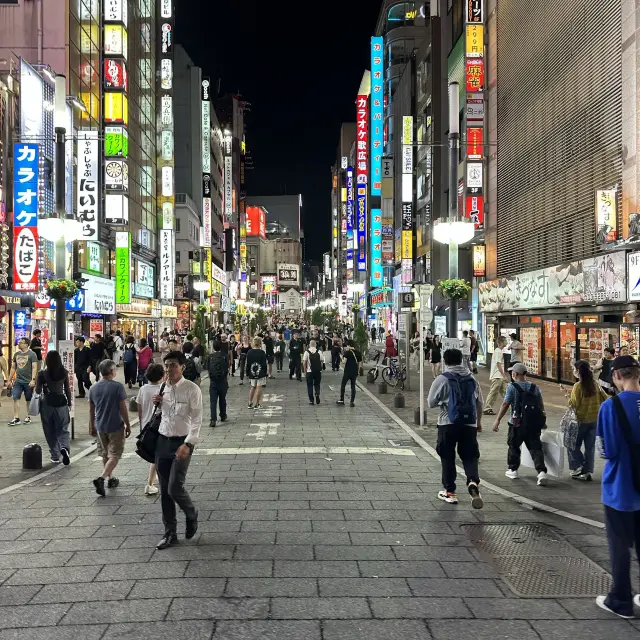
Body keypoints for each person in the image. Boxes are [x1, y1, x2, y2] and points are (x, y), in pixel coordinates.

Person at [595, 355, 640, 617]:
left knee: (620, 545)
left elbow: (606, 450)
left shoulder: (610, 407)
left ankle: (620, 600)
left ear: (616, 376)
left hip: (620, 488)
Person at [153, 350, 202, 550]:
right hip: (162, 440)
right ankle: (170, 532)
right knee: (165, 490)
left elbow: (198, 419)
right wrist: (155, 404)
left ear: (182, 366)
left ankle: (191, 514)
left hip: (182, 443)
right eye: (166, 365)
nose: (169, 369)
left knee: (175, 486)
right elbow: (158, 416)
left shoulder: (192, 389)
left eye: (173, 365)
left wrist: (188, 443)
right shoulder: (163, 388)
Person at [427, 348, 484, 508]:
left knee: (447, 456)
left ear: (445, 361)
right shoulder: (472, 379)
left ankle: (450, 492)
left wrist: (444, 402)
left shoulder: (442, 379)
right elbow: (480, 403)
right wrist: (478, 422)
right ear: (461, 360)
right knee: (470, 455)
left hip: (447, 423)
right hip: (469, 424)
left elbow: (431, 402)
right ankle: (473, 482)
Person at [492, 362, 549, 486]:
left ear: (515, 374)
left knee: (513, 446)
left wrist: (497, 420)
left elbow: (505, 404)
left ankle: (513, 470)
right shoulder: (535, 387)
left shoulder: (512, 387)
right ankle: (541, 472)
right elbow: (541, 406)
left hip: (516, 423)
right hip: (533, 424)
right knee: (535, 448)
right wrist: (543, 421)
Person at [560, 360, 607, 482]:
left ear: (578, 371)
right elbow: (605, 399)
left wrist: (566, 395)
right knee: (590, 447)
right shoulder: (595, 384)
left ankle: (579, 467)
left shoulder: (578, 386)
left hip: (580, 421)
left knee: (571, 444)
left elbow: (573, 404)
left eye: (574, 369)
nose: (573, 371)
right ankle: (586, 472)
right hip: (594, 420)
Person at [89, 360, 131, 496]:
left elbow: (91, 410)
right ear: (112, 371)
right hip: (115, 425)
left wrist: (92, 425)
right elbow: (122, 407)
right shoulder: (117, 387)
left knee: (105, 453)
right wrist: (128, 423)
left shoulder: (93, 388)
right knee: (115, 454)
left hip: (100, 425)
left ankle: (110, 478)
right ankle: (102, 478)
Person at [36, 350, 72, 465]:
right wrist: (69, 403)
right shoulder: (64, 372)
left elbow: (37, 390)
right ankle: (65, 448)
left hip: (47, 404)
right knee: (63, 429)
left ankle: (55, 456)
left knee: (49, 430)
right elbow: (67, 389)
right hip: (61, 403)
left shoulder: (42, 374)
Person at [136, 363, 165, 495]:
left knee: (154, 453)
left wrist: (141, 424)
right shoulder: (162, 389)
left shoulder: (143, 389)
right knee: (156, 455)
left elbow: (140, 409)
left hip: (146, 424)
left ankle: (155, 476)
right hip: (158, 425)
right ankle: (150, 484)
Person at [7, 338, 38, 425]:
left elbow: (34, 368)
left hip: (28, 381)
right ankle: (16, 418)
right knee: (15, 398)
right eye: (19, 342)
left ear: (26, 344)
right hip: (18, 381)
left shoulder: (32, 354)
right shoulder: (16, 354)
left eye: (21, 343)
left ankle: (28, 417)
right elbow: (13, 368)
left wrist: (33, 380)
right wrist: (9, 380)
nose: (19, 344)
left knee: (28, 399)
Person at [483, 336, 509, 415]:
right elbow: (498, 364)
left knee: (506, 392)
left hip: (499, 376)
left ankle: (515, 407)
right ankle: (487, 408)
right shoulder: (498, 351)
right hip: (497, 376)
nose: (506, 342)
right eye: (505, 341)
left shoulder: (499, 351)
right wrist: (503, 375)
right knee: (494, 392)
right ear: (500, 342)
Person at [208, 340, 229, 428]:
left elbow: (207, 367)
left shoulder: (210, 356)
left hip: (213, 382)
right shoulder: (224, 356)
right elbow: (227, 367)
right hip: (222, 381)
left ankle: (213, 419)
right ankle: (223, 415)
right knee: (222, 399)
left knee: (213, 401)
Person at [336, 340, 362, 407]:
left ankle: (342, 400)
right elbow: (359, 364)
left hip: (347, 371)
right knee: (353, 386)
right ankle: (352, 402)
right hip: (354, 372)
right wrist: (358, 371)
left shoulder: (347, 353)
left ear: (349, 345)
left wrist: (341, 357)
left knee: (343, 385)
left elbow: (344, 362)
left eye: (347, 345)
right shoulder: (358, 353)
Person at [246, 336, 268, 409]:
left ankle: (249, 402)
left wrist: (247, 372)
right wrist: (265, 373)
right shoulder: (262, 352)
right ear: (260, 343)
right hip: (260, 372)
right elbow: (264, 364)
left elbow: (248, 363)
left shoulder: (249, 352)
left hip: (252, 371)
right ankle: (257, 404)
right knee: (259, 387)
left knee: (252, 387)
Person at [303, 339, 323, 405]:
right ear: (315, 345)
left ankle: (311, 400)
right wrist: (321, 369)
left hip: (309, 371)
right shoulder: (319, 352)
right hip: (318, 371)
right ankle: (317, 394)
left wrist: (305, 371)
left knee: (310, 385)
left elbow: (304, 362)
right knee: (317, 384)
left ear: (309, 345)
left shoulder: (306, 352)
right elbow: (322, 361)